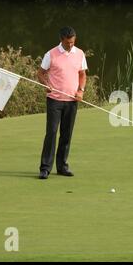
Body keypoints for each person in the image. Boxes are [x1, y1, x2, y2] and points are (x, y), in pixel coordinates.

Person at [37, 26, 87, 179]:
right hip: (55, 100)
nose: (70, 45)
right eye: (67, 43)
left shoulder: (79, 54)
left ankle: (62, 167)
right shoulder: (51, 54)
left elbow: (82, 74)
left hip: (72, 101)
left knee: (66, 134)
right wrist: (46, 83)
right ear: (61, 40)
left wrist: (81, 91)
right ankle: (45, 168)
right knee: (51, 133)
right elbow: (40, 73)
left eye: (72, 42)